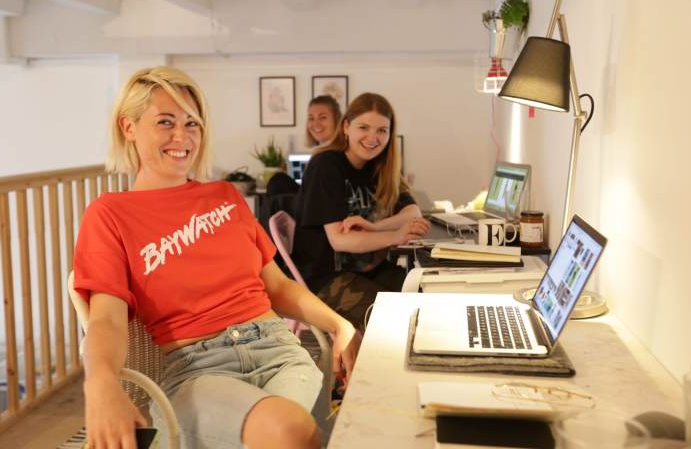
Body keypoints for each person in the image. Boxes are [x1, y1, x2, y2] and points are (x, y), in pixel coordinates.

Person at [73, 66, 360, 449]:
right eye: (165, 122)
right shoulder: (110, 214)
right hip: (198, 369)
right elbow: (106, 319)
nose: (182, 136)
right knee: (290, 431)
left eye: (192, 123)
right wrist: (100, 381)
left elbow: (277, 286)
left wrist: (340, 325)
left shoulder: (224, 197)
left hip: (279, 352)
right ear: (129, 127)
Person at [293, 92, 430, 328]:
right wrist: (396, 235)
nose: (372, 138)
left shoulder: (380, 167)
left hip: (368, 269)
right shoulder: (325, 166)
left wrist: (374, 227)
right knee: (396, 321)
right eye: (363, 127)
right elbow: (340, 241)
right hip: (325, 277)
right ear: (346, 127)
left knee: (428, 301)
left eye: (382, 130)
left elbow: (412, 213)